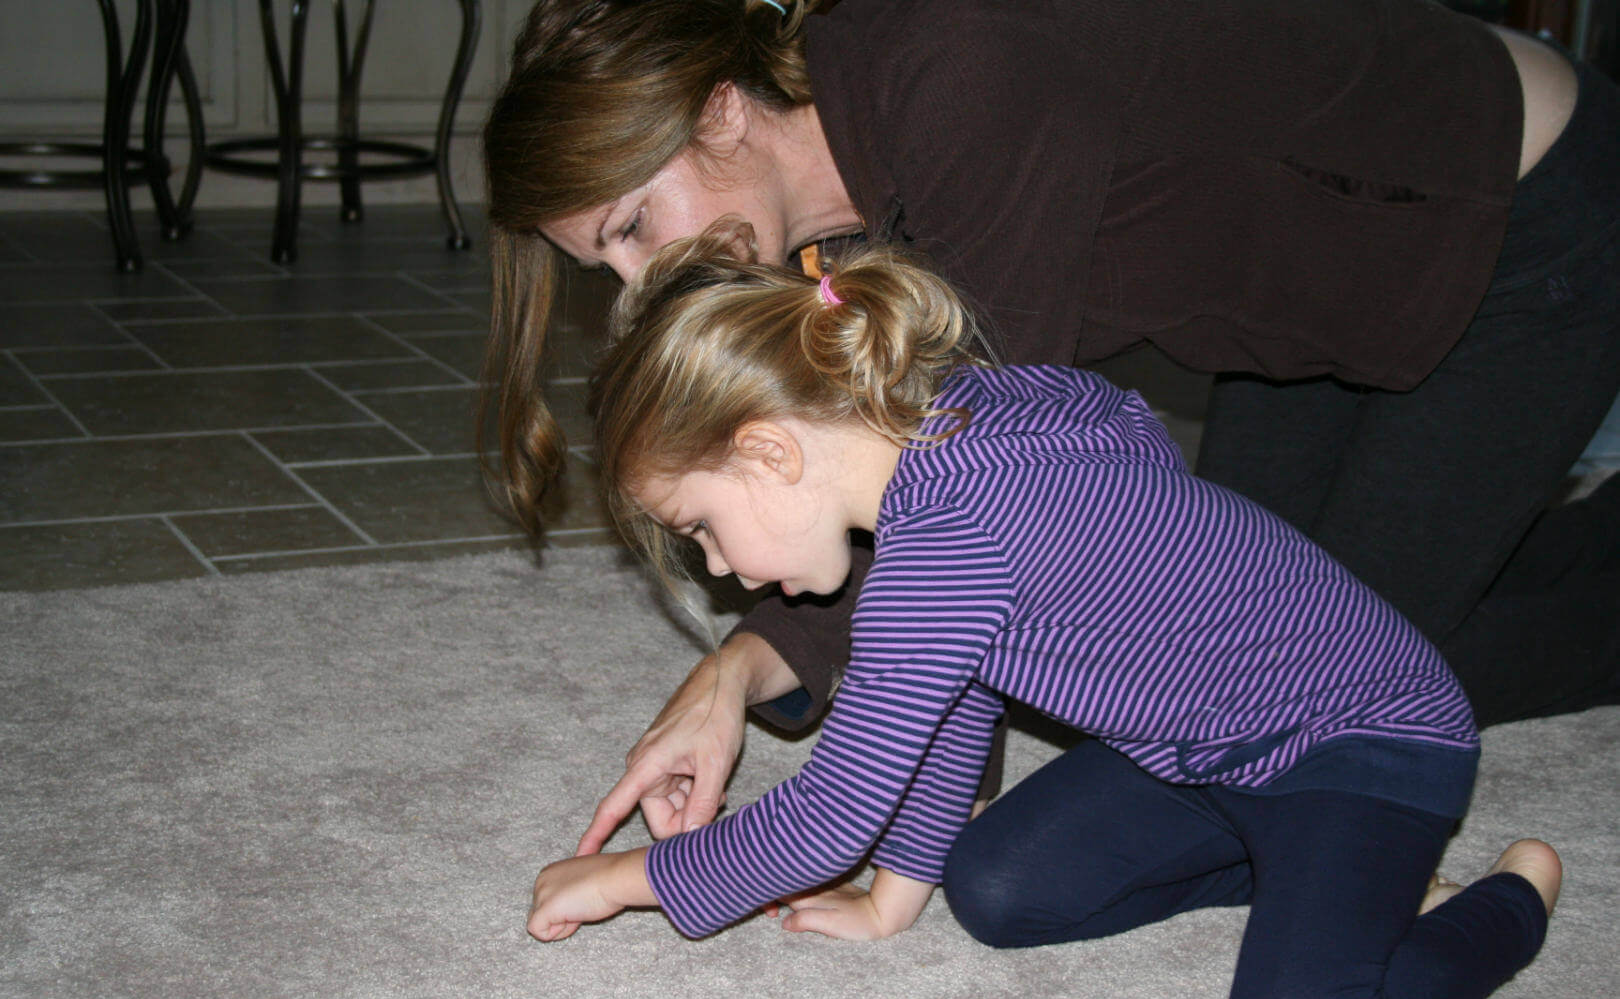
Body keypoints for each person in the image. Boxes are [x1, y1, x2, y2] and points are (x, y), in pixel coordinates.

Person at [480, 0, 1620, 850]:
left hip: (1518, 226)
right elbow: (879, 475)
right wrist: (744, 669)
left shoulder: (963, 78)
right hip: (1311, 311)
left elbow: (971, 498)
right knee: (1216, 634)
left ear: (721, 110)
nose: (644, 281)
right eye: (606, 263)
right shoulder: (820, 238)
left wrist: (775, 686)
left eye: (634, 226)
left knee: (1339, 697)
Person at [525, 226, 1561, 999]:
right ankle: (1330, 884)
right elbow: (963, 685)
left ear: (768, 451)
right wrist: (894, 899)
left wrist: (623, 879)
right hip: (1198, 750)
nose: (723, 570)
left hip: (1364, 739)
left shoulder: (945, 545)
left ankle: (1511, 898)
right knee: (997, 889)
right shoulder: (965, 420)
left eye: (703, 528)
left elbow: (826, 816)